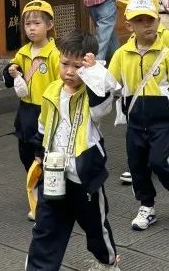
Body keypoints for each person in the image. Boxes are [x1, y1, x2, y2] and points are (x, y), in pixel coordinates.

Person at [25, 31, 120, 271]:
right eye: (65, 63)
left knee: (95, 227)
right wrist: (39, 151)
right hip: (54, 173)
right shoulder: (52, 90)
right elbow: (43, 124)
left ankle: (107, 262)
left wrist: (93, 73)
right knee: (46, 227)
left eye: (77, 66)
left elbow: (101, 109)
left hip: (84, 176)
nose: (69, 71)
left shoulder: (91, 94)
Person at [108, 0, 169, 231]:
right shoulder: (122, 54)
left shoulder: (167, 55)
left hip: (162, 122)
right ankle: (147, 207)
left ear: (158, 20)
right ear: (129, 25)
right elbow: (109, 83)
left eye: (150, 19)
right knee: (137, 167)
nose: (146, 24)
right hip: (135, 123)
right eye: (139, 20)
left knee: (159, 162)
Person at [1, 0, 61, 220]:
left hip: (47, 111)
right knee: (25, 153)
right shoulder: (23, 52)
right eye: (28, 24)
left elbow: (62, 83)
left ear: (49, 25)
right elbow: (9, 76)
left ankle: (46, 196)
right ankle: (36, 187)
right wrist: (10, 70)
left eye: (37, 23)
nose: (32, 28)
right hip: (26, 111)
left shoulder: (55, 54)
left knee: (44, 154)